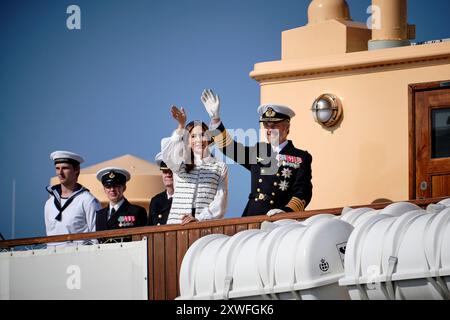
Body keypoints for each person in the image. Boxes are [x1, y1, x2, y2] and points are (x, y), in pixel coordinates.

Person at [200, 89, 313, 217]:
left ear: (287, 127)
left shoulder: (301, 157)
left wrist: (287, 212)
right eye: (266, 125)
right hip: (252, 216)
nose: (269, 130)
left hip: (281, 219)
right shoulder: (259, 151)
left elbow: (303, 191)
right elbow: (231, 149)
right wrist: (215, 120)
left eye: (274, 125)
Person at [161, 105, 228, 225]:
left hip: (204, 226)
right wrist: (181, 126)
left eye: (202, 135)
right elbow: (167, 154)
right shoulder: (179, 163)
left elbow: (220, 200)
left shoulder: (219, 166)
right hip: (175, 226)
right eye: (193, 136)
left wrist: (199, 219)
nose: (198, 140)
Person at [45, 150, 101, 237]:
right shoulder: (49, 203)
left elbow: (97, 237)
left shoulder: (88, 201)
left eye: (65, 168)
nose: (60, 173)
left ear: (76, 170)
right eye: (57, 168)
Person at [148, 155, 174, 226]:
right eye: (165, 171)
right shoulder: (156, 200)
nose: (168, 175)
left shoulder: (185, 198)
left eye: (171, 171)